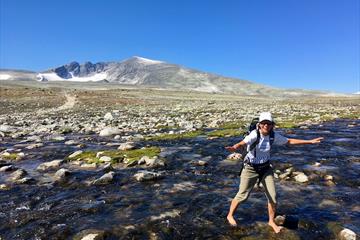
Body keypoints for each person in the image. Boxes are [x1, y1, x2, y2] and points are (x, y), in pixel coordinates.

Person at [225, 112, 323, 233]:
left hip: (266, 168)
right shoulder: (254, 134)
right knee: (242, 195)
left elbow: (289, 141)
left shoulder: (273, 136)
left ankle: (271, 221)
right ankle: (230, 215)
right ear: (259, 124)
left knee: (273, 197)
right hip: (250, 168)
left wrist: (309, 141)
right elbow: (243, 142)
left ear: (272, 125)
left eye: (269, 123)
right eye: (264, 123)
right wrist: (235, 147)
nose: (266, 125)